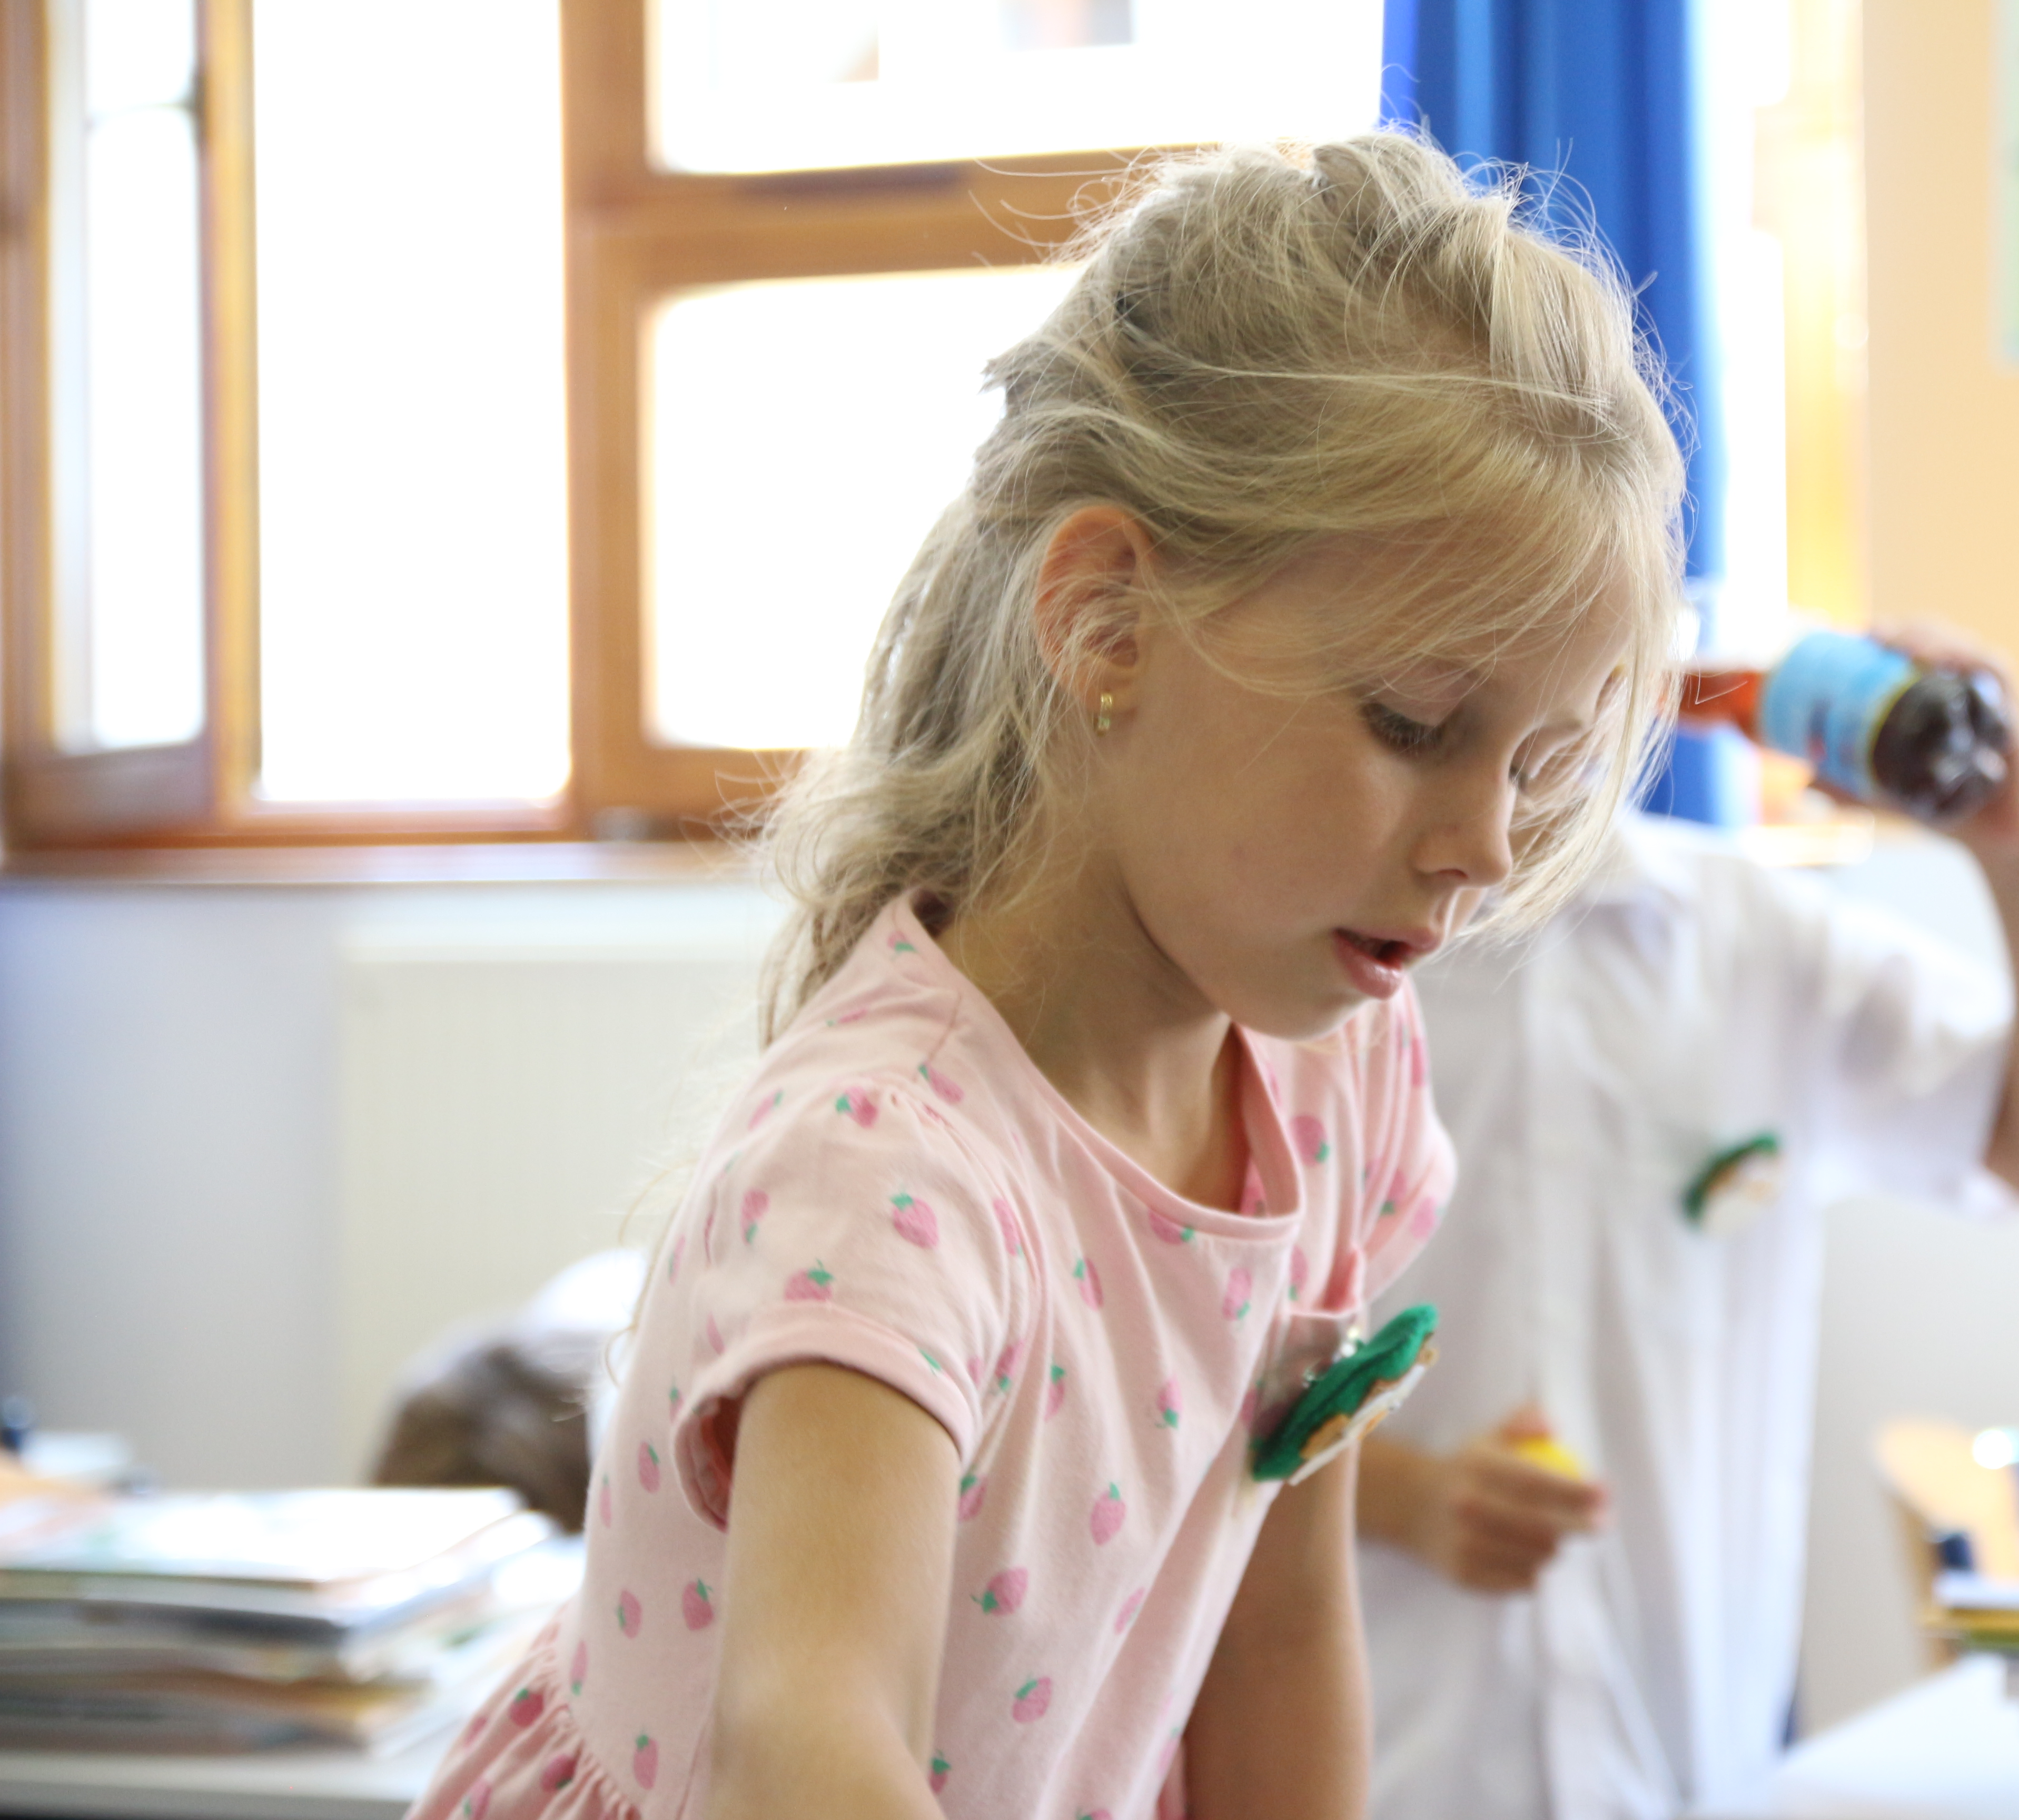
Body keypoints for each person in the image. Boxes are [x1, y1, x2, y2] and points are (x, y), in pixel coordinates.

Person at [410, 131, 1690, 1820]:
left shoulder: (1337, 1077)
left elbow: (1282, 1643)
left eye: (1538, 768)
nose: (1487, 846)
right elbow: (806, 1747)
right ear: (1107, 623)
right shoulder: (891, 1167)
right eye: (1414, 724)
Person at [1354, 625, 2019, 1820]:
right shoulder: (1328, 964)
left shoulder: (1754, 940)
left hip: (1688, 1754)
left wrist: (2015, 859)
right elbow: (1184, 1367)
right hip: (1391, 1754)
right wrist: (1395, 1494)